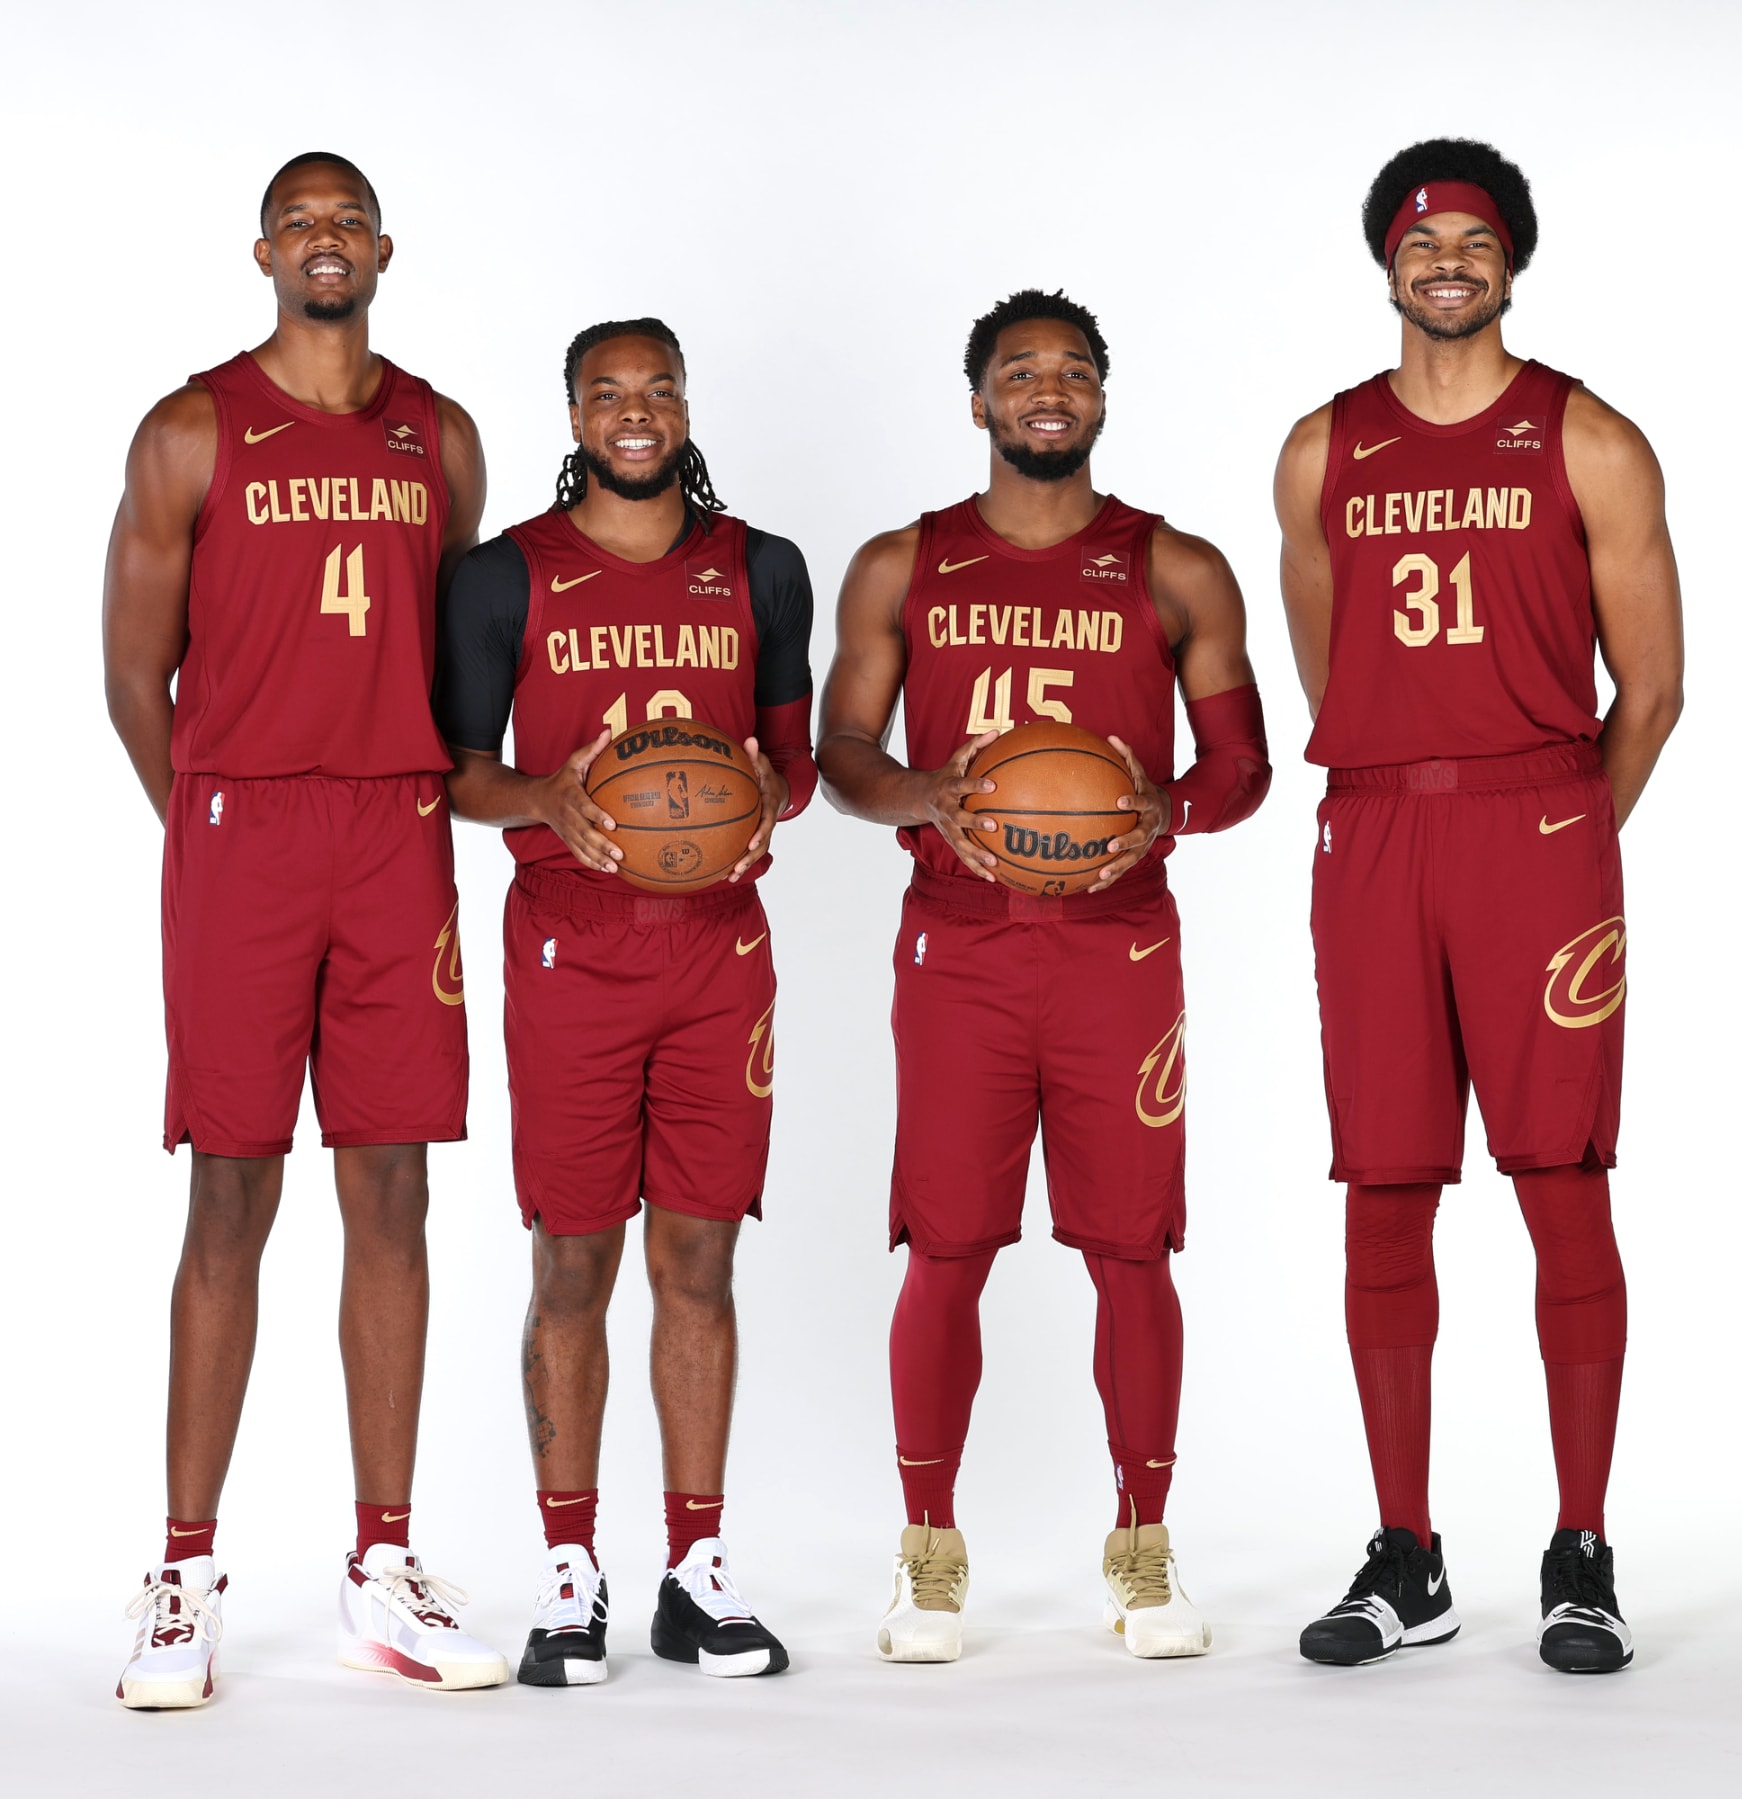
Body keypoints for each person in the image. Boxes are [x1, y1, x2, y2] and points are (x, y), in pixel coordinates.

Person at [1273, 138, 1683, 1673]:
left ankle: (1580, 1548)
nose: (1448, 257)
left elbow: (1656, 688)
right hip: (1377, 829)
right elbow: (1333, 672)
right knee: (1385, 1186)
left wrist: (1563, 838)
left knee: (1559, 1181)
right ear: (1386, 255)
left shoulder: (1592, 441)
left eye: (1476, 237)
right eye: (1423, 235)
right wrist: (1415, 786)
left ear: (1513, 257)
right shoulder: (1321, 449)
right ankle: (1408, 1556)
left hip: (1542, 821)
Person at [103, 152, 506, 1707]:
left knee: (391, 1188)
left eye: (350, 221)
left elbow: (455, 646)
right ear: (264, 248)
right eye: (302, 222)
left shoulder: (441, 435)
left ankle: (383, 1569)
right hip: (244, 833)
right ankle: (186, 1574)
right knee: (231, 1195)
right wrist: (209, 831)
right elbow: (134, 673)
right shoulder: (192, 427)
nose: (326, 241)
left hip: (396, 828)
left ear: (384, 249)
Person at [816, 289, 1270, 1662]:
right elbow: (841, 752)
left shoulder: (1176, 566)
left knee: (1131, 1250)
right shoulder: (904, 565)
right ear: (979, 402)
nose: (1048, 390)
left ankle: (1143, 1550)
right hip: (960, 947)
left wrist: (1167, 810)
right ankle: (927, 1552)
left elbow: (1244, 768)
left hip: (1119, 949)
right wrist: (918, 794)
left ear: (1103, 399)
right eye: (1021, 372)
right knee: (947, 1248)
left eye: (1074, 371)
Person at [436, 318, 816, 1685]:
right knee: (574, 1261)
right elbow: (462, 774)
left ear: (686, 404)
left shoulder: (762, 568)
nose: (637, 414)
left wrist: (772, 792)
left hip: (719, 946)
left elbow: (794, 762)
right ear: (576, 412)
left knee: (700, 1264)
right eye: (610, 394)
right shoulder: (501, 577)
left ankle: (698, 1570)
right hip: (572, 943)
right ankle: (568, 1566)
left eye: (658, 391)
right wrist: (549, 798)